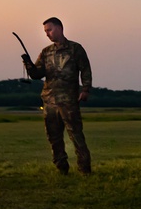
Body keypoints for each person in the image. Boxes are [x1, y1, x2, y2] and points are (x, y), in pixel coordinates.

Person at [22, 17, 93, 174]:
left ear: (60, 28)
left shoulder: (75, 49)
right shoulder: (46, 52)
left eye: (50, 29)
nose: (47, 34)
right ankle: (61, 167)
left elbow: (85, 69)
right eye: (45, 31)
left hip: (69, 100)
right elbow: (37, 74)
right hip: (49, 100)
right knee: (53, 137)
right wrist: (28, 65)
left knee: (76, 135)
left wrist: (86, 89)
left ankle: (84, 168)